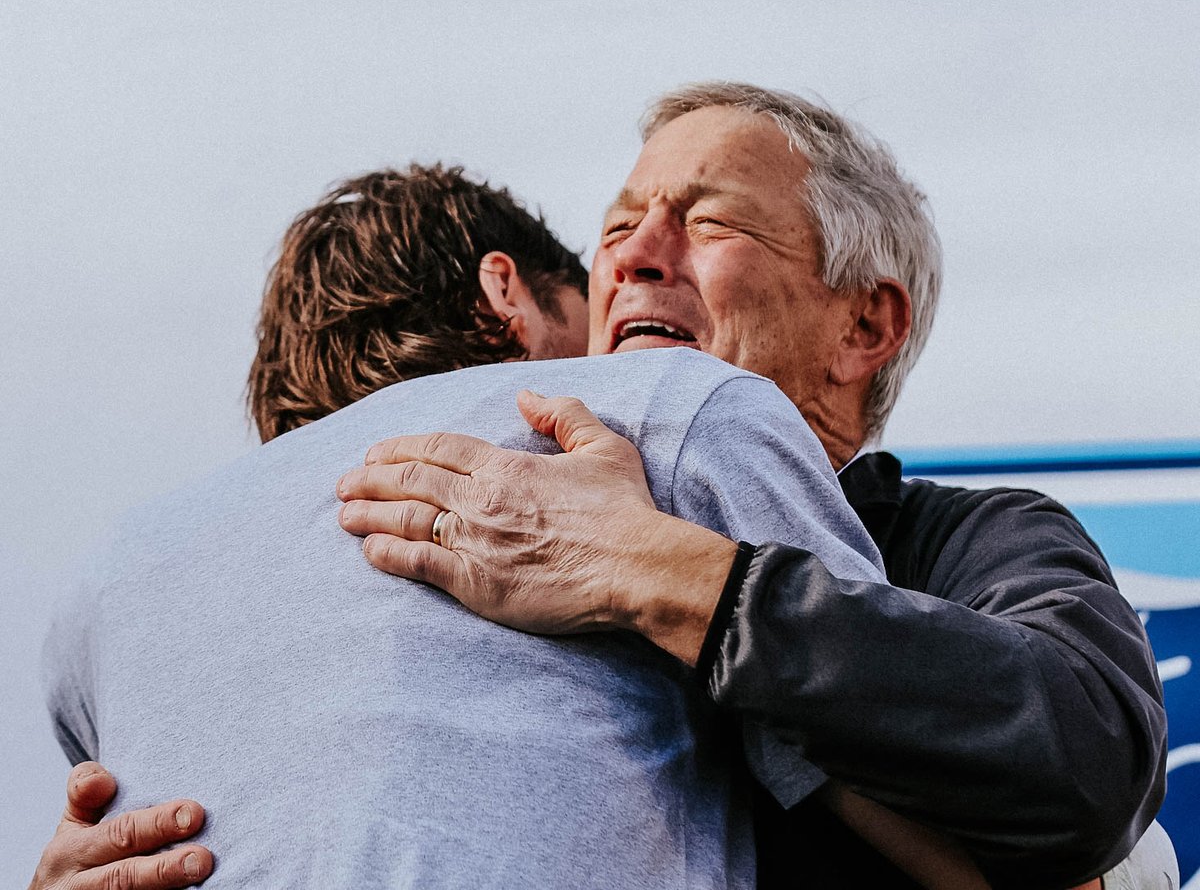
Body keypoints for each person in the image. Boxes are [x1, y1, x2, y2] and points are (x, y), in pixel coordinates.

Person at [333, 83, 1168, 889]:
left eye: (710, 223)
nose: (633, 257)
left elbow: (1091, 760)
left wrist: (655, 571)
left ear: (863, 325)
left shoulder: (969, 542)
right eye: (618, 226)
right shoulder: (478, 524)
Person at [35, 163, 889, 888]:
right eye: (588, 323)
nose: (610, 349)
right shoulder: (663, 402)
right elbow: (906, 772)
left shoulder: (108, 579)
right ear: (506, 290)